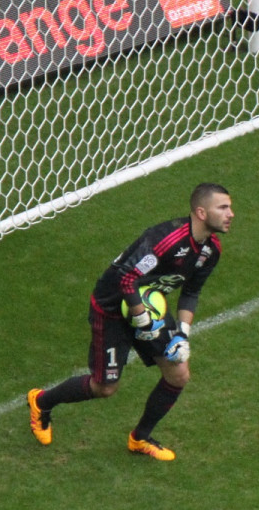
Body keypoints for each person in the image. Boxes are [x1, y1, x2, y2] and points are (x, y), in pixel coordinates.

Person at [27, 183, 234, 461]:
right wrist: (142, 320)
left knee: (179, 374)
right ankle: (41, 402)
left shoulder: (211, 250)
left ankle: (140, 438)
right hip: (112, 308)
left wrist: (182, 334)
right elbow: (126, 277)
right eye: (223, 207)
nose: (230, 213)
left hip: (149, 306)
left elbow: (191, 291)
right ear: (200, 212)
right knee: (105, 387)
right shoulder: (166, 240)